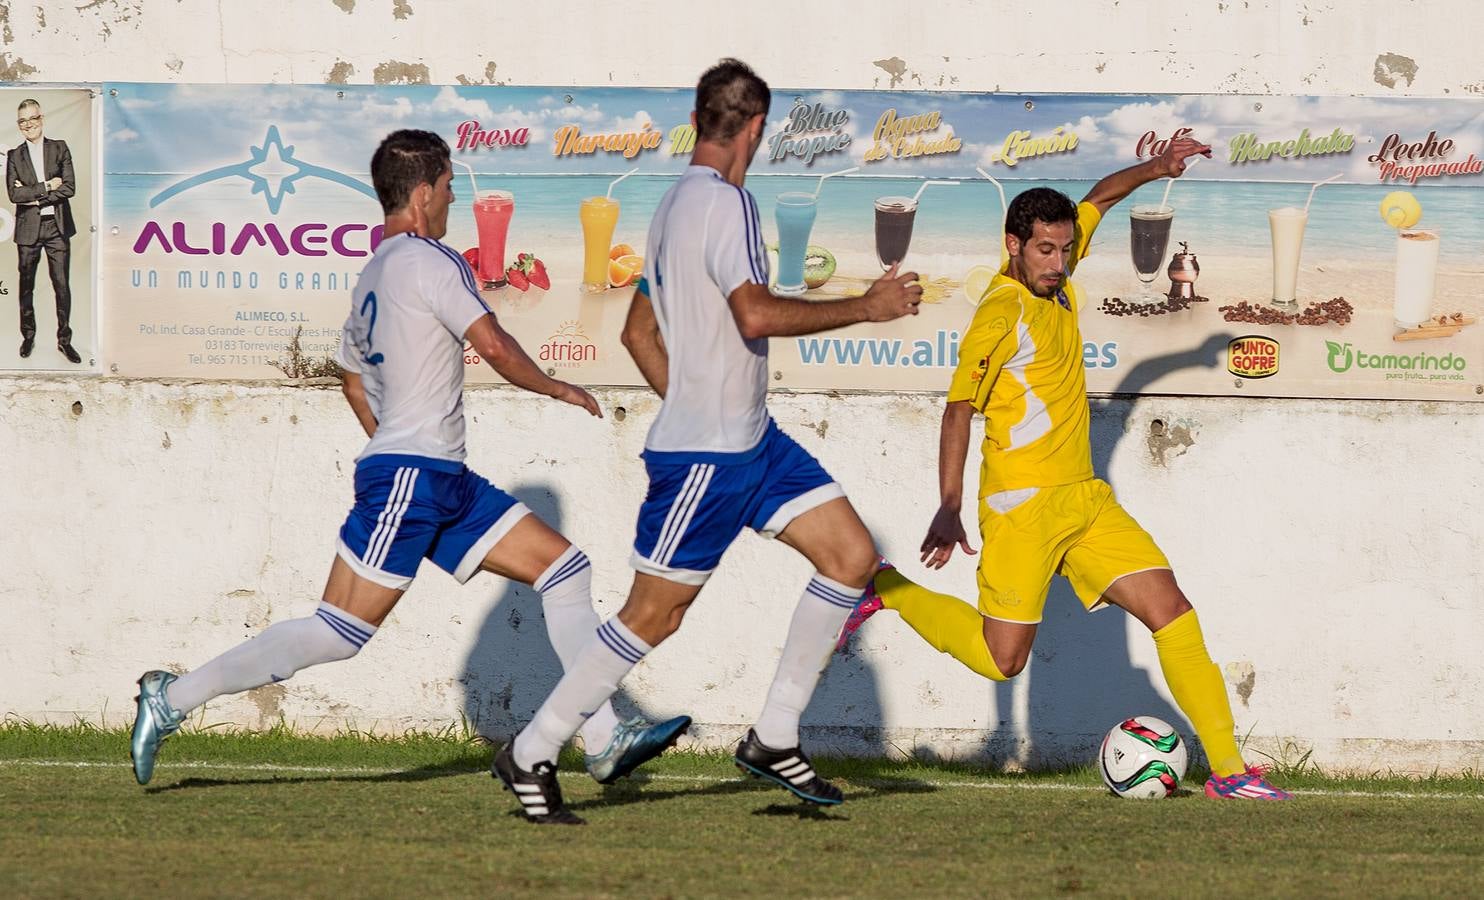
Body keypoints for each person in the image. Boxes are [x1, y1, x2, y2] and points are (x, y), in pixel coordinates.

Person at [129, 129, 688, 787]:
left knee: (564, 570)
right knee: (338, 632)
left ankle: (602, 738)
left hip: (437, 477)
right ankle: (171, 699)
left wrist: (387, 437)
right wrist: (557, 386)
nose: (452, 200)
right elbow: (497, 346)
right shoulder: (431, 260)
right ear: (424, 194)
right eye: (449, 188)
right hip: (416, 475)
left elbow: (351, 376)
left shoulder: (375, 272)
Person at [492, 59, 924, 825]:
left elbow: (636, 331)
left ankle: (774, 736)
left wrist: (698, 397)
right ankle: (533, 749)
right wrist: (868, 305)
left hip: (755, 445)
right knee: (652, 617)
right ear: (755, 127)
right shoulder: (727, 207)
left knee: (851, 557)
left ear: (701, 120)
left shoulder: (671, 208)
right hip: (708, 458)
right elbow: (754, 315)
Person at [837, 138, 1292, 801]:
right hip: (1021, 507)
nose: (1057, 263)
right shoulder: (1001, 313)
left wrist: (1157, 170)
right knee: (1003, 660)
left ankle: (1229, 771)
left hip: (1084, 500)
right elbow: (959, 409)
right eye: (1044, 251)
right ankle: (889, 587)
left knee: (1173, 612)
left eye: (1064, 250)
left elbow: (1101, 196)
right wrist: (948, 504)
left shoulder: (1059, 282)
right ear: (1013, 243)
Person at [7, 98, 80, 363]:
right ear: (19, 125)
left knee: (61, 285)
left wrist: (34, 197)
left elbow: (70, 188)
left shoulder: (60, 148)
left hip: (57, 229)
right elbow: (14, 195)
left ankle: (64, 341)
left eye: (32, 119)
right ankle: (28, 336)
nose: (28, 125)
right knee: (26, 286)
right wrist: (48, 186)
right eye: (22, 121)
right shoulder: (15, 155)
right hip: (28, 231)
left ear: (42, 118)